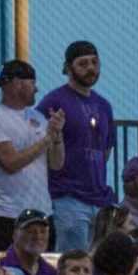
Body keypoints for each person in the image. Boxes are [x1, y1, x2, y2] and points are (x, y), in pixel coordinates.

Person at [0, 59, 63, 252]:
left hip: (43, 213)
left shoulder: (38, 117)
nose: (36, 89)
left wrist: (57, 137)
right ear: (16, 83)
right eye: (32, 83)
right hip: (9, 214)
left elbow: (56, 164)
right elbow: (11, 163)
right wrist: (46, 140)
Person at [40, 42, 115, 255]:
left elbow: (106, 149)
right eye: (83, 63)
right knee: (72, 263)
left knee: (100, 263)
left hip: (100, 198)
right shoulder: (54, 101)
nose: (91, 68)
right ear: (68, 68)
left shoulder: (104, 105)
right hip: (68, 197)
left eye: (94, 62)